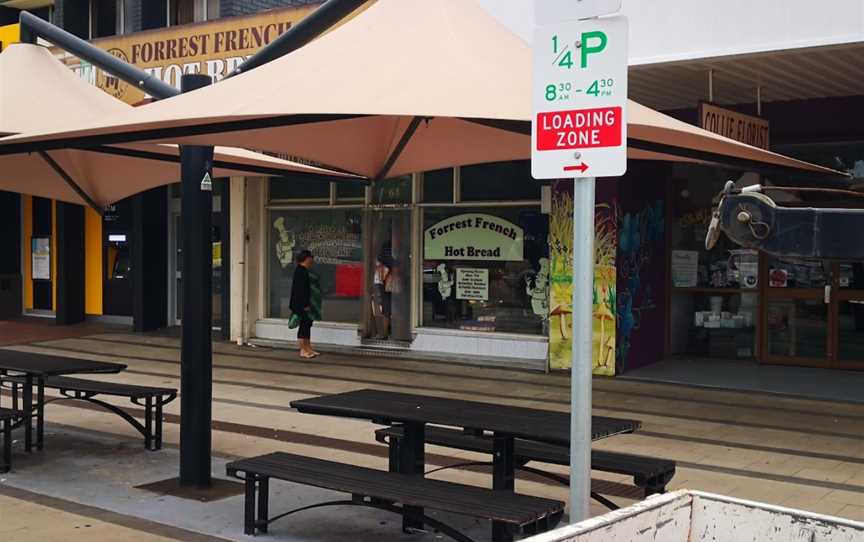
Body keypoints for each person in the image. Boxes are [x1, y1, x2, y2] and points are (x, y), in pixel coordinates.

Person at [290, 250, 319, 358]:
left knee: (307, 325)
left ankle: (308, 348)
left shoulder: (304, 270)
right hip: (301, 305)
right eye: (311, 257)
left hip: (306, 304)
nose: (312, 259)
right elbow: (301, 290)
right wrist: (304, 305)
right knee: (303, 326)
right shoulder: (300, 271)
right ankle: (303, 350)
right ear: (306, 258)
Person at [373, 255, 391, 339]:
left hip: (380, 282)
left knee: (383, 308)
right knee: (382, 308)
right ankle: (382, 332)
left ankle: (383, 333)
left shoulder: (381, 256)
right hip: (380, 282)